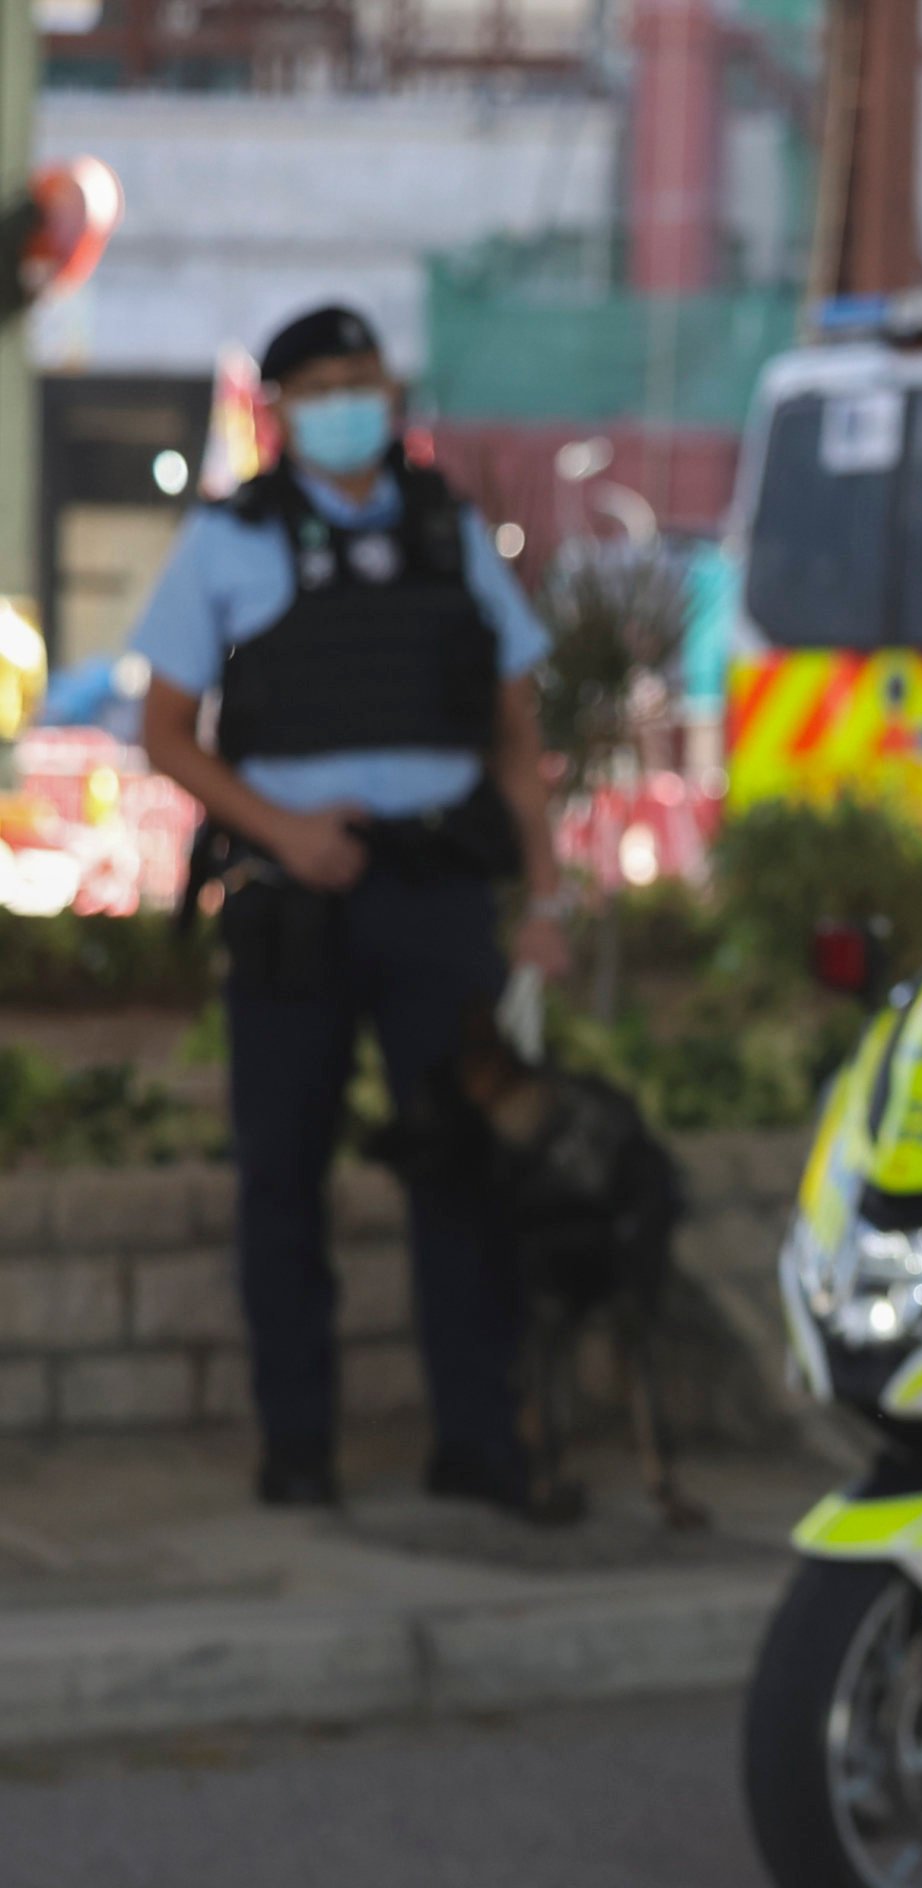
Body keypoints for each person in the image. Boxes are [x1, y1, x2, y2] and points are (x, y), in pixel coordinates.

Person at [132, 301, 571, 1516]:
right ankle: (300, 1447)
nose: (348, 403)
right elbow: (165, 734)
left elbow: (515, 732)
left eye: (364, 380)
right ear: (279, 411)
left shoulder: (450, 532)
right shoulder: (231, 539)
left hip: (436, 891)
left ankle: (480, 1440)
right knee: (284, 1175)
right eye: (320, 385)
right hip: (295, 900)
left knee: (467, 1165)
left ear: (392, 393)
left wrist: (548, 897)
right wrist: (281, 832)